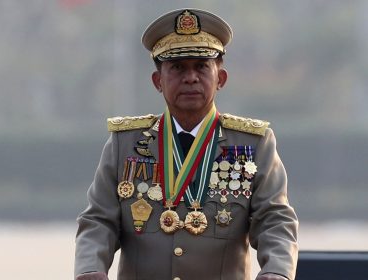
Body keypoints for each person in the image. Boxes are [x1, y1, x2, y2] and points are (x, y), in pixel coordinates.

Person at [75, 8, 298, 280]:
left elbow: (275, 221)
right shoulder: (126, 144)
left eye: (201, 66)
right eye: (178, 68)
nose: (190, 77)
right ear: (158, 81)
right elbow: (99, 221)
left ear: (221, 79)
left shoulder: (253, 144)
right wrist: (90, 268)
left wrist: (277, 272)